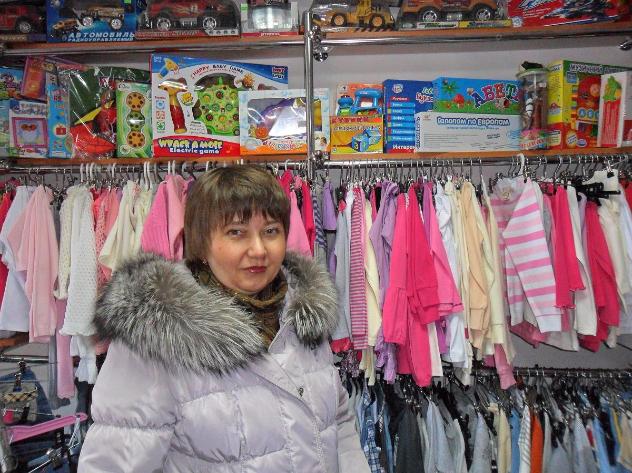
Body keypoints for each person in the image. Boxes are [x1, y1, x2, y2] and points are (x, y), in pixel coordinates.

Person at [78, 165, 370, 473]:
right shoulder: (156, 339)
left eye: (271, 231)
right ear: (202, 243)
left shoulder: (302, 316)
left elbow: (339, 425)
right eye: (236, 232)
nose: (258, 250)